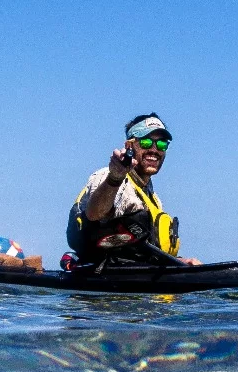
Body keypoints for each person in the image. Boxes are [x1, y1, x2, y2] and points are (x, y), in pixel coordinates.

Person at [66, 113, 199, 266]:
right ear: (129, 146)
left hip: (138, 273)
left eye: (162, 144)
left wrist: (181, 262)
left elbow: (145, 251)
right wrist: (115, 178)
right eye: (146, 142)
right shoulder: (108, 177)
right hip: (106, 275)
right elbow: (94, 214)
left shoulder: (152, 198)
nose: (154, 150)